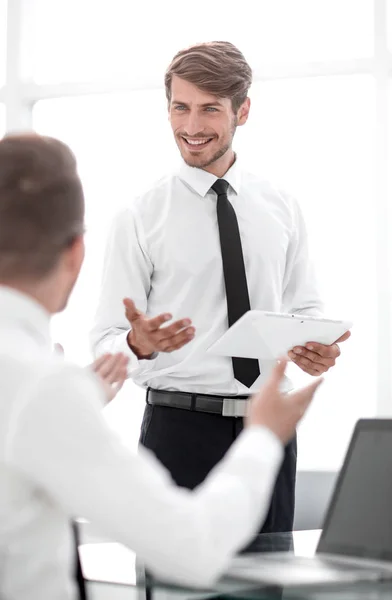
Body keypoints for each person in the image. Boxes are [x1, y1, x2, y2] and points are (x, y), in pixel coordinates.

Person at [0, 133, 322, 599]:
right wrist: (263, 437)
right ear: (76, 253)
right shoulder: (44, 386)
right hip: (183, 426)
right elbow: (193, 547)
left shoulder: (282, 206)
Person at [91, 41, 350, 534]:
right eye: (180, 108)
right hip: (177, 431)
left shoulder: (282, 207)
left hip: (268, 428)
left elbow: (306, 306)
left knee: (265, 586)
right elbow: (105, 339)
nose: (191, 127)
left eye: (209, 109)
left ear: (243, 110)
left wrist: (315, 347)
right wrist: (135, 343)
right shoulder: (140, 216)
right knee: (177, 588)